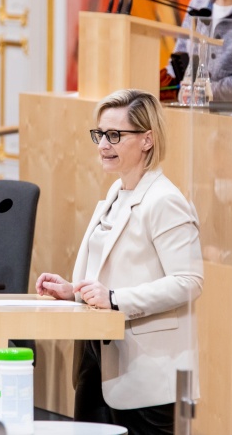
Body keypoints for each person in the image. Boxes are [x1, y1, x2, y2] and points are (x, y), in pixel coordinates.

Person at [35, 89, 204, 434]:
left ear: (147, 140)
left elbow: (189, 281)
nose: (103, 145)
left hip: (148, 375)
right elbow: (111, 272)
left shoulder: (164, 200)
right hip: (97, 360)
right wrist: (75, 292)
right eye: (100, 134)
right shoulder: (117, 192)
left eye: (115, 135)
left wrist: (114, 299)